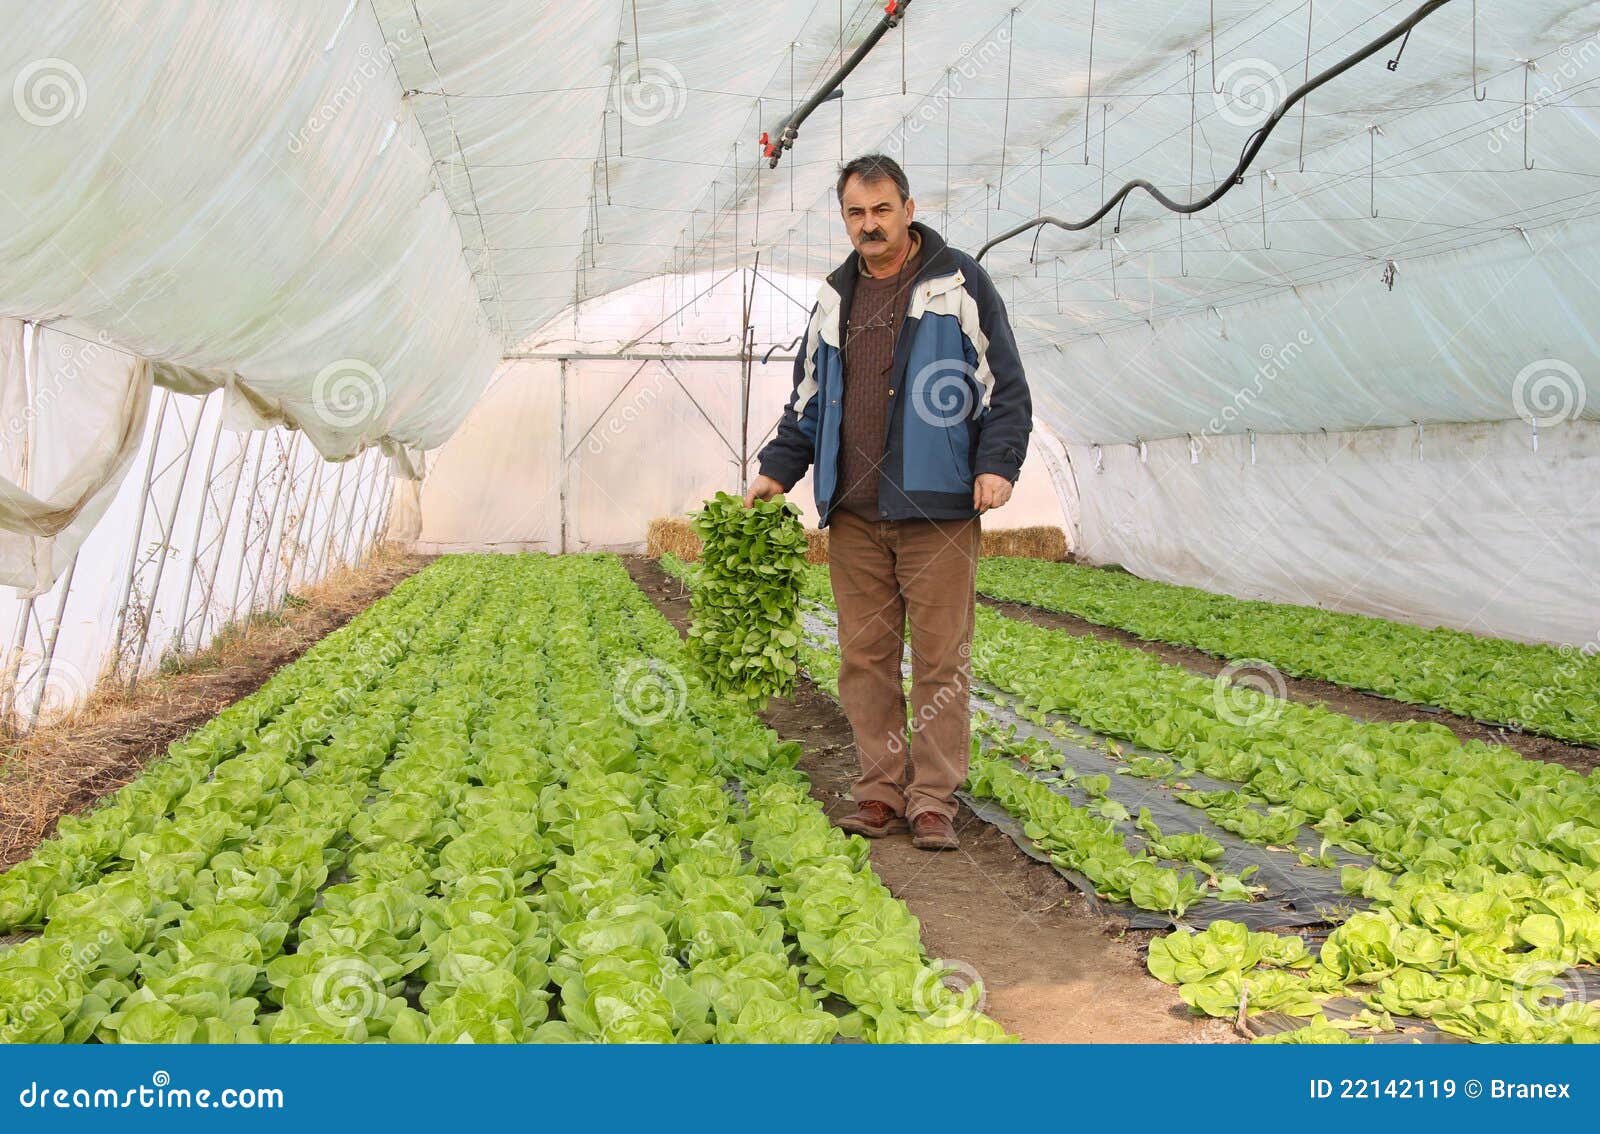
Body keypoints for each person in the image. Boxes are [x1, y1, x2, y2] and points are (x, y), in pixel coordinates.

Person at [744, 153, 1032, 851]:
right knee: (864, 657)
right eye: (855, 213)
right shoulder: (834, 297)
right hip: (853, 512)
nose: (869, 226)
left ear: (908, 208)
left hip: (937, 509)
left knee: (939, 660)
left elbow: (1006, 386)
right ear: (844, 218)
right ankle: (879, 791)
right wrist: (777, 471)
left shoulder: (958, 282)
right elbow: (807, 400)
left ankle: (932, 798)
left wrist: (996, 465)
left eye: (880, 210)